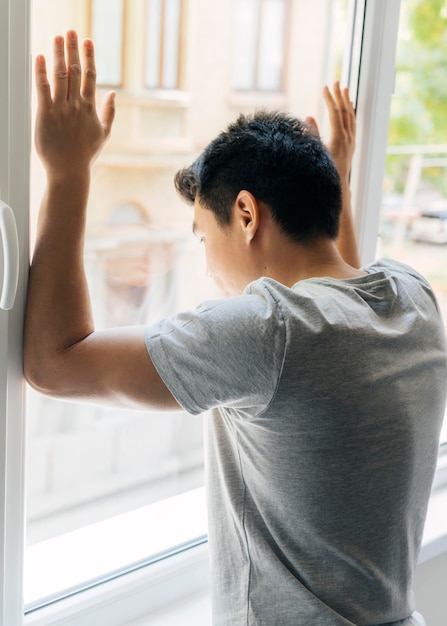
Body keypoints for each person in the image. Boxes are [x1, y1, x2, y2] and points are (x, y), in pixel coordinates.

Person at [24, 32, 447, 626]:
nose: (206, 264)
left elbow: (54, 362)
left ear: (246, 215)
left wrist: (66, 173)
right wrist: (338, 179)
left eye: (203, 236)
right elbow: (343, 280)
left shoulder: (268, 331)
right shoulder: (414, 300)